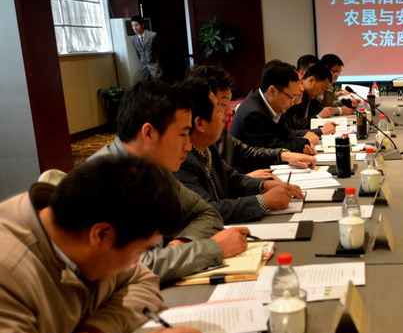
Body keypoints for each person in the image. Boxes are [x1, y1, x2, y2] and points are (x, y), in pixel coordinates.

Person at [0, 155, 202, 333]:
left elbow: (143, 280)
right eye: (141, 251)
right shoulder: (8, 267)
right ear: (101, 235)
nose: (138, 261)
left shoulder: (77, 229)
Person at [91, 80, 250, 282]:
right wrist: (212, 248)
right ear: (149, 133)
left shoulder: (154, 168)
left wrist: (182, 244)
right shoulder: (101, 182)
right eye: (183, 134)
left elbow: (208, 213)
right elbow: (131, 268)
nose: (188, 146)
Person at [174, 80, 303, 224]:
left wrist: (264, 185)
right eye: (218, 108)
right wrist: (263, 201)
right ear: (199, 124)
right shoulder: (181, 160)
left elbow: (233, 179)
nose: (229, 112)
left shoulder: (207, 147)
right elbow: (207, 209)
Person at [186, 66, 316, 175]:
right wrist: (250, 179)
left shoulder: (218, 134)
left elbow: (247, 152)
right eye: (223, 104)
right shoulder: (186, 158)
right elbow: (218, 192)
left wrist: (282, 154)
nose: (230, 112)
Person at [229, 60, 318, 153]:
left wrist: (304, 140)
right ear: (272, 91)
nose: (292, 103)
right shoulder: (253, 114)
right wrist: (304, 143)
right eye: (291, 97)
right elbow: (273, 146)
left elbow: (286, 134)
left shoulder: (271, 103)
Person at [284, 64, 338, 136]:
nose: (301, 89)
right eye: (322, 87)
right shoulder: (296, 97)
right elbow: (295, 127)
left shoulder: (310, 97)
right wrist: (319, 120)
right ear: (311, 80)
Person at [130, 15, 163, 81]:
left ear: (142, 25)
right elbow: (139, 54)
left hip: (155, 67)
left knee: (157, 85)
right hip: (144, 68)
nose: (134, 28)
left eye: (136, 25)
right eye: (133, 25)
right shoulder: (133, 39)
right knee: (146, 86)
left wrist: (158, 64)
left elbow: (160, 51)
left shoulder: (153, 35)